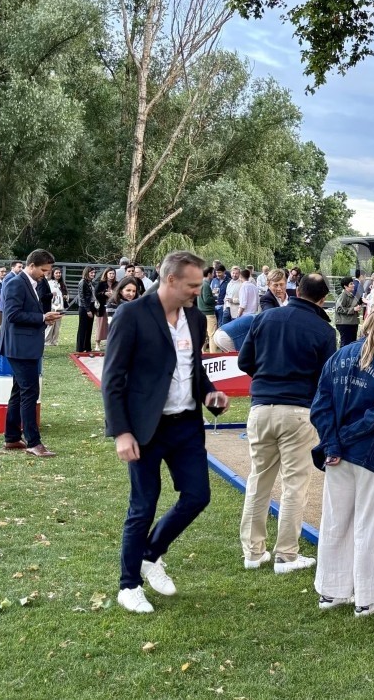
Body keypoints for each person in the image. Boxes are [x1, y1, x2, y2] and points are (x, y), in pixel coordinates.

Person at [102, 251, 230, 614]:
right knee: (143, 505)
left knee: (197, 496)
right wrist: (121, 432)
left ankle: (151, 553)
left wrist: (209, 394)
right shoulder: (132, 314)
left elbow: (194, 369)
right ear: (170, 280)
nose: (199, 291)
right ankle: (129, 585)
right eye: (193, 285)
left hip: (186, 425)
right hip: (146, 428)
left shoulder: (194, 317)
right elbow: (113, 378)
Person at [310, 299, 374, 617]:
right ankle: (367, 596)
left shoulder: (340, 356)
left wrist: (333, 442)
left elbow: (320, 406)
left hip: (339, 452)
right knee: (373, 524)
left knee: (335, 520)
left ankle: (332, 590)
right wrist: (340, 440)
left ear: (365, 319)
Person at [237, 273, 337, 574]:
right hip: (298, 410)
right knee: (294, 485)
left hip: (262, 407)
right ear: (322, 299)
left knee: (258, 480)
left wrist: (268, 376)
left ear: (296, 290)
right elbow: (327, 377)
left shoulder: (265, 318)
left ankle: (253, 552)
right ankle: (286, 555)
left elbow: (244, 361)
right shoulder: (323, 330)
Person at [0, 249, 63, 458]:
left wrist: (43, 318)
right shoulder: (16, 283)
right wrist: (42, 318)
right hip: (19, 347)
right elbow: (12, 314)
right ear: (31, 265)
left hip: (24, 346)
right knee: (29, 392)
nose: (45, 274)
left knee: (19, 391)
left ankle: (12, 437)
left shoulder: (31, 283)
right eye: (43, 270)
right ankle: (34, 443)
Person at [334, 276, 361, 347]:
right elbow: (339, 308)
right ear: (345, 286)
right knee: (346, 345)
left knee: (351, 345)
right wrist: (353, 309)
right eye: (351, 284)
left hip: (351, 323)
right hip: (345, 324)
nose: (353, 285)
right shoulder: (343, 295)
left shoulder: (350, 294)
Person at [95, 268, 119, 350]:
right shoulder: (101, 284)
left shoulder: (117, 284)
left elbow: (120, 293)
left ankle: (111, 343)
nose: (112, 275)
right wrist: (104, 293)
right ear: (106, 274)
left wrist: (114, 294)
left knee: (112, 325)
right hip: (102, 307)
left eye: (113, 273)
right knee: (100, 325)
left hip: (113, 307)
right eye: (110, 273)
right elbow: (96, 294)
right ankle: (97, 344)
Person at [76, 267, 98, 353]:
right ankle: (80, 348)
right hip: (84, 307)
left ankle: (87, 347)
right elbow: (82, 297)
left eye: (94, 273)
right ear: (87, 273)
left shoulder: (90, 282)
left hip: (91, 306)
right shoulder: (82, 282)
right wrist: (88, 310)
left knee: (89, 328)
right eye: (91, 273)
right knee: (83, 328)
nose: (93, 274)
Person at [43, 267, 67, 346]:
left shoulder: (61, 284)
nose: (58, 274)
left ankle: (55, 341)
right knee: (51, 324)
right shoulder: (49, 283)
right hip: (52, 306)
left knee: (57, 325)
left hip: (60, 306)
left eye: (59, 273)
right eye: (56, 273)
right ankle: (47, 341)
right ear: (53, 274)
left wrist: (65, 296)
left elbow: (64, 293)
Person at [197, 266, 216, 350]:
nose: (214, 274)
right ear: (209, 274)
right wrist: (215, 299)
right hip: (209, 313)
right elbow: (207, 299)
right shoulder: (206, 285)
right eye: (213, 273)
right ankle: (213, 354)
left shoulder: (200, 283)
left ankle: (202, 353)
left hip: (201, 312)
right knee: (212, 335)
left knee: (203, 335)